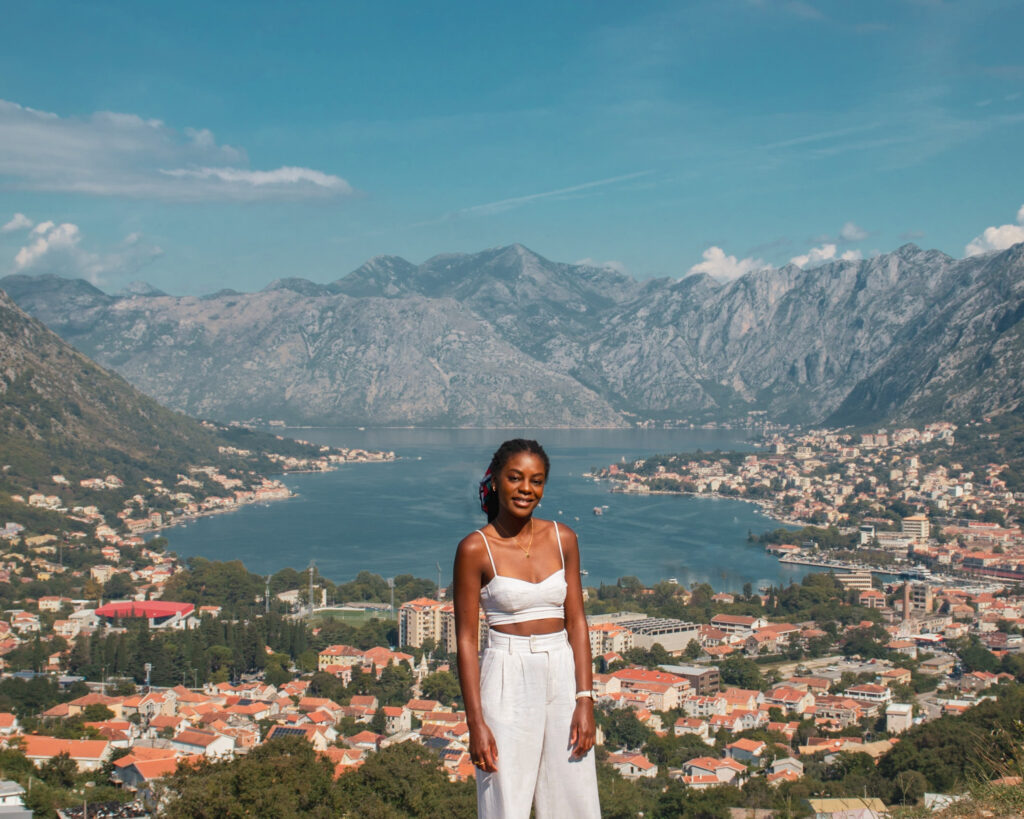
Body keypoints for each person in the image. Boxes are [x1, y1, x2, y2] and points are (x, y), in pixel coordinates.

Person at [454, 439, 601, 818]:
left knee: (575, 800)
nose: (525, 489)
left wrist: (585, 699)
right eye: (515, 478)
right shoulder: (474, 549)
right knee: (505, 801)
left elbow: (578, 622)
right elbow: (467, 641)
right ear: (496, 481)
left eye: (536, 481)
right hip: (505, 672)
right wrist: (476, 723)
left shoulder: (563, 538)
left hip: (562, 671)